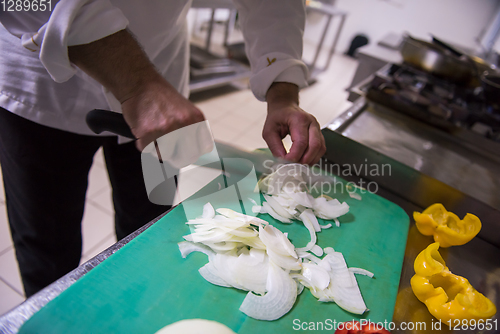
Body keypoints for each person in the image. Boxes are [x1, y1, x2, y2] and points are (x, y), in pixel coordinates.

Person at [0, 0, 326, 297]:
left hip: (159, 70)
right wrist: (138, 85)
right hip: (40, 84)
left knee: (146, 228)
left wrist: (282, 93)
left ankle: (138, 305)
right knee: (48, 250)